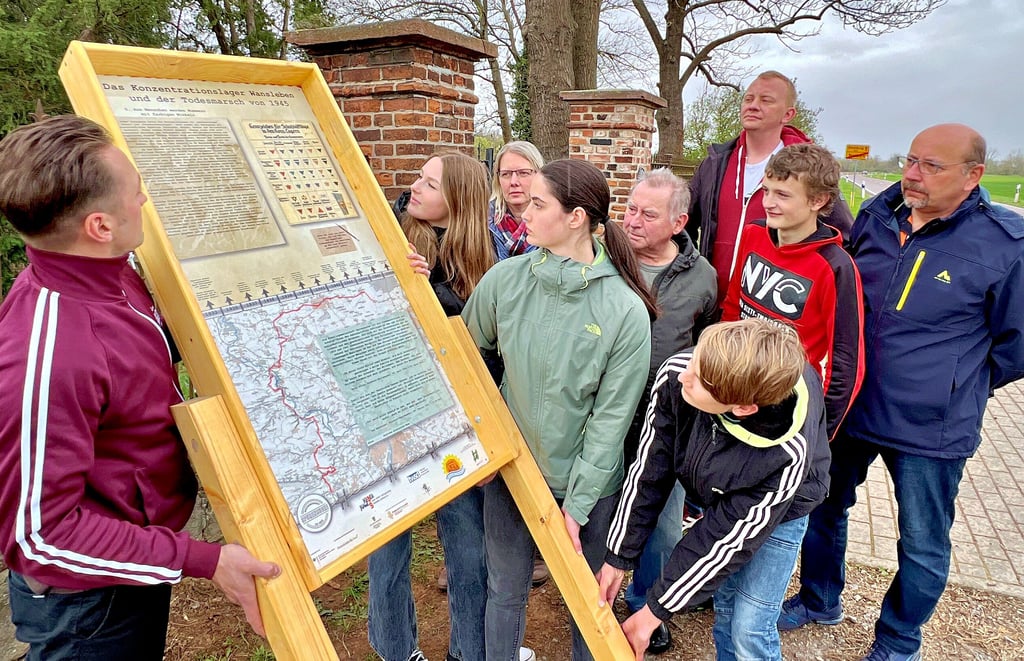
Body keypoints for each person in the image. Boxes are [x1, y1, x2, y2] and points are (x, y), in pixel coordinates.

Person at [0, 115, 280, 660]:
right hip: (87, 608)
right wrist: (204, 559)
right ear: (100, 225)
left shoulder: (112, 270)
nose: (146, 201)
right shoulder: (53, 354)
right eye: (136, 192)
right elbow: (39, 537)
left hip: (135, 562)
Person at [778, 124, 1024, 661]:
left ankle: (897, 640)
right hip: (853, 405)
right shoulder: (877, 214)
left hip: (931, 425)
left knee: (922, 541)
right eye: (911, 160)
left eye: (931, 166)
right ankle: (820, 599)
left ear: (973, 175)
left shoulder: (1005, 244)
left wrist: (955, 380)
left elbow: (1015, 347)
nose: (913, 174)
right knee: (823, 506)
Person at [462, 159, 656, 661]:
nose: (522, 208)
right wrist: (481, 447)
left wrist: (578, 504)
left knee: (586, 603)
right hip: (512, 477)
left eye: (538, 202)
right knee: (504, 592)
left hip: (589, 492)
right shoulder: (505, 281)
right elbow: (461, 358)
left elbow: (611, 422)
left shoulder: (625, 311)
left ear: (576, 218)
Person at [599, 318, 831, 661]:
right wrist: (618, 556)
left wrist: (652, 613)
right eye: (695, 360)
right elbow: (649, 470)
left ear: (742, 407)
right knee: (726, 606)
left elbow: (724, 540)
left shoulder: (786, 453)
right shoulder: (681, 373)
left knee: (749, 624)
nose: (683, 376)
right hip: (722, 485)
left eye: (698, 380)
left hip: (783, 507)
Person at [368, 150, 500, 661]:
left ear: (459, 201)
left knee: (468, 543)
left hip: (453, 422)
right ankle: (395, 650)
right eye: (417, 178)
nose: (415, 188)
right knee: (387, 542)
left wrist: (433, 292)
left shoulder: (486, 257)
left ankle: (468, 651)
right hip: (390, 413)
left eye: (429, 183)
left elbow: (480, 337)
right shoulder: (392, 235)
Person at [618, 168, 717, 653]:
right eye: (630, 208)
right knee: (602, 510)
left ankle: (646, 606)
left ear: (679, 222)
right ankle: (596, 592)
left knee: (662, 519)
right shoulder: (604, 256)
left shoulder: (704, 278)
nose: (632, 220)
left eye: (646, 214)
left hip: (667, 421)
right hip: (606, 414)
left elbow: (705, 345)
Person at [722, 143, 865, 440]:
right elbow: (732, 307)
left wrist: (819, 434)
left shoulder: (835, 267)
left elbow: (846, 363)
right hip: (733, 386)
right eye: (767, 191)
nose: (769, 203)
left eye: (783, 195)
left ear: (818, 201)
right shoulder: (754, 234)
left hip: (786, 401)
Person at [686, 71, 854, 306]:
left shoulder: (808, 169)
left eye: (766, 100)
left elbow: (843, 241)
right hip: (712, 303)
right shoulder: (715, 163)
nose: (753, 106)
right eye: (748, 98)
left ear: (788, 114)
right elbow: (684, 226)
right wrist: (693, 277)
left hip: (774, 313)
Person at [488, 140, 545, 260]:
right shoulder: (480, 222)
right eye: (506, 174)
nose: (514, 182)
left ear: (539, 174)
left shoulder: (555, 223)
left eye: (523, 173)